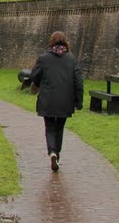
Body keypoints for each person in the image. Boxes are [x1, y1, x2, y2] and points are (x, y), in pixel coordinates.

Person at [29, 31, 84, 172]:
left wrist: (39, 83)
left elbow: (34, 75)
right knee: (60, 128)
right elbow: (79, 82)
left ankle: (52, 152)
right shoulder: (71, 59)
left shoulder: (43, 58)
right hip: (65, 101)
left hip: (48, 99)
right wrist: (78, 101)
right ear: (65, 42)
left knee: (49, 127)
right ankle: (57, 155)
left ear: (51, 42)